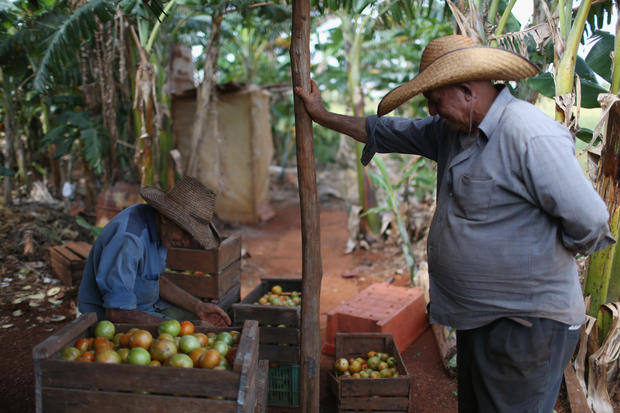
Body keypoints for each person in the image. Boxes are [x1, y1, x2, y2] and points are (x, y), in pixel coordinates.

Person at [295, 34, 615, 412]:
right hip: (479, 317)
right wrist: (322, 115)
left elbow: (591, 220)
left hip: (525, 326)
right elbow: (386, 131)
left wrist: (546, 256)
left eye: (435, 100)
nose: (431, 110)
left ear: (466, 90)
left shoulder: (527, 133)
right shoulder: (453, 131)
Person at [78, 176, 231, 327]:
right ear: (166, 217)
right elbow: (117, 313)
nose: (186, 242)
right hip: (111, 324)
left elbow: (154, 281)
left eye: (191, 237)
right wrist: (180, 329)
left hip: (147, 309)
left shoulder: (158, 228)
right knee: (193, 330)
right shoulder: (129, 240)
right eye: (184, 233)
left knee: (205, 323)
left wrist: (199, 307)